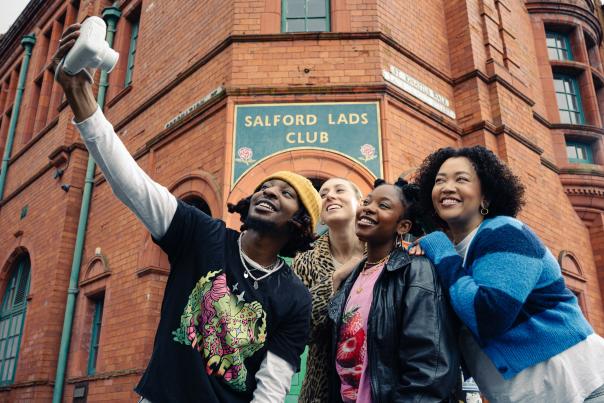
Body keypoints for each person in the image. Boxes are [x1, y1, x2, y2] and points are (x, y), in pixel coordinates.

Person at [53, 23, 321, 402]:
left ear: (299, 222)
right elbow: (131, 182)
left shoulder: (294, 296)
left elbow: (273, 384)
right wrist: (81, 97)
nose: (269, 192)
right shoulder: (201, 235)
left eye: (285, 193)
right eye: (265, 186)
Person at [414, 146, 604, 403]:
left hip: (584, 387)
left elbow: (489, 315)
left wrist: (439, 248)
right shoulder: (452, 255)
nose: (447, 187)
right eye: (439, 180)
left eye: (461, 179)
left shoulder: (505, 231)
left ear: (486, 198)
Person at [328, 178, 459, 402]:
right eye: (367, 202)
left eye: (383, 205)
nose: (368, 208)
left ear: (403, 226)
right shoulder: (351, 277)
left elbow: (429, 366)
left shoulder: (416, 270)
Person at [292, 178, 365, 403]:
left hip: (376, 382)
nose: (330, 196)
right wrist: (335, 280)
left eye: (339, 190)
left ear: (360, 203)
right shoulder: (305, 260)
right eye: (323, 194)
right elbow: (303, 329)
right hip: (324, 389)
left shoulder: (385, 251)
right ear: (321, 215)